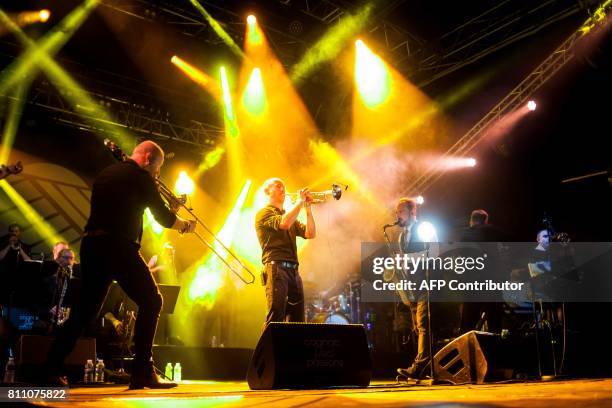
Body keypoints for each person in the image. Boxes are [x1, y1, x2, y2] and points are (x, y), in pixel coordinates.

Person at [45, 140, 196, 389]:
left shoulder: (107, 173)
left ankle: (50, 368)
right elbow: (164, 218)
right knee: (152, 300)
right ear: (147, 158)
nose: (157, 174)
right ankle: (142, 371)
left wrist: (152, 191)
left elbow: (127, 205)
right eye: (157, 168)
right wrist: (186, 226)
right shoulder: (141, 177)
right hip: (118, 246)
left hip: (93, 245)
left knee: (83, 312)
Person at [255, 178, 315, 325]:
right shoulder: (264, 213)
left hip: (294, 271)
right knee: (275, 318)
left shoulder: (289, 215)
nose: (283, 189)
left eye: (284, 187)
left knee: (297, 321)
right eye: (278, 186)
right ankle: (267, 348)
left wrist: (308, 208)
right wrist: (299, 203)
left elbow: (310, 233)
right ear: (268, 191)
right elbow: (284, 223)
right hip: (276, 269)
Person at [395, 198, 438, 380]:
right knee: (417, 327)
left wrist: (408, 258)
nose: (397, 216)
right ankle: (422, 366)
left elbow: (434, 252)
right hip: (411, 286)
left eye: (401, 212)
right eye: (396, 212)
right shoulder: (401, 236)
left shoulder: (424, 228)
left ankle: (420, 366)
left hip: (425, 283)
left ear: (413, 212)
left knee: (423, 324)